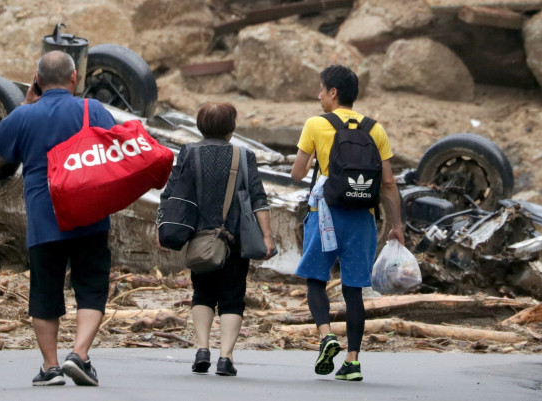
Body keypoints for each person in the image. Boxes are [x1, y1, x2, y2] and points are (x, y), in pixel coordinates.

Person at [0, 51, 115, 387]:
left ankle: (51, 367)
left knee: (45, 293)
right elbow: (117, 150)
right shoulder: (93, 110)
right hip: (91, 215)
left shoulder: (27, 115)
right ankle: (80, 355)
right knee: (91, 287)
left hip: (45, 219)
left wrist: (27, 104)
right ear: (74, 78)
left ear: (38, 80)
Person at [290, 65, 405, 382]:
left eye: (321, 89)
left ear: (333, 93)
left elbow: (297, 175)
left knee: (315, 279)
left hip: (325, 215)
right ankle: (353, 361)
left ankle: (326, 336)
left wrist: (313, 158)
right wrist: (397, 225)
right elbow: (389, 183)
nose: (318, 95)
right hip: (362, 219)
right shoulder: (374, 128)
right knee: (354, 290)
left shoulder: (316, 124)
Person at [156, 102, 276, 377]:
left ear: (200, 126)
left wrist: (162, 227)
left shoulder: (188, 152)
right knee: (233, 297)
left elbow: (170, 193)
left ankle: (202, 349)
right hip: (235, 239)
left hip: (200, 240)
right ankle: (226, 357)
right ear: (231, 129)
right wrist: (267, 237)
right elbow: (259, 199)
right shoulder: (244, 156)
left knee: (202, 293)